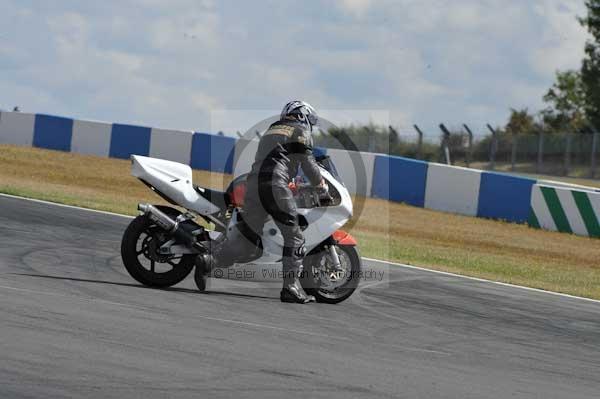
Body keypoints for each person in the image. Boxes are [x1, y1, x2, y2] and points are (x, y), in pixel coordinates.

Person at [196, 100, 326, 304]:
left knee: (249, 240)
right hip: (275, 184)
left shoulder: (272, 129)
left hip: (254, 184)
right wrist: (320, 184)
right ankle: (291, 287)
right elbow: (307, 162)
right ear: (302, 115)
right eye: (310, 120)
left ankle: (209, 260)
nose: (310, 124)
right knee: (295, 237)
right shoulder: (300, 130)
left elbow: (275, 157)